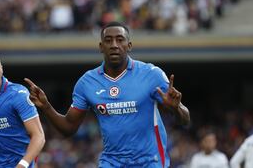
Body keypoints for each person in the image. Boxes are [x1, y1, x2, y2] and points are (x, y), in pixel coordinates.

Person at [24, 21, 190, 167]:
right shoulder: (87, 83)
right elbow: (68, 128)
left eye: (120, 39)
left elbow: (185, 120)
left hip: (149, 162)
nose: (114, 45)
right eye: (108, 40)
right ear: (101, 47)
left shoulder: (151, 74)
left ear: (129, 45)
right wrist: (46, 107)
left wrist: (176, 109)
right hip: (111, 162)